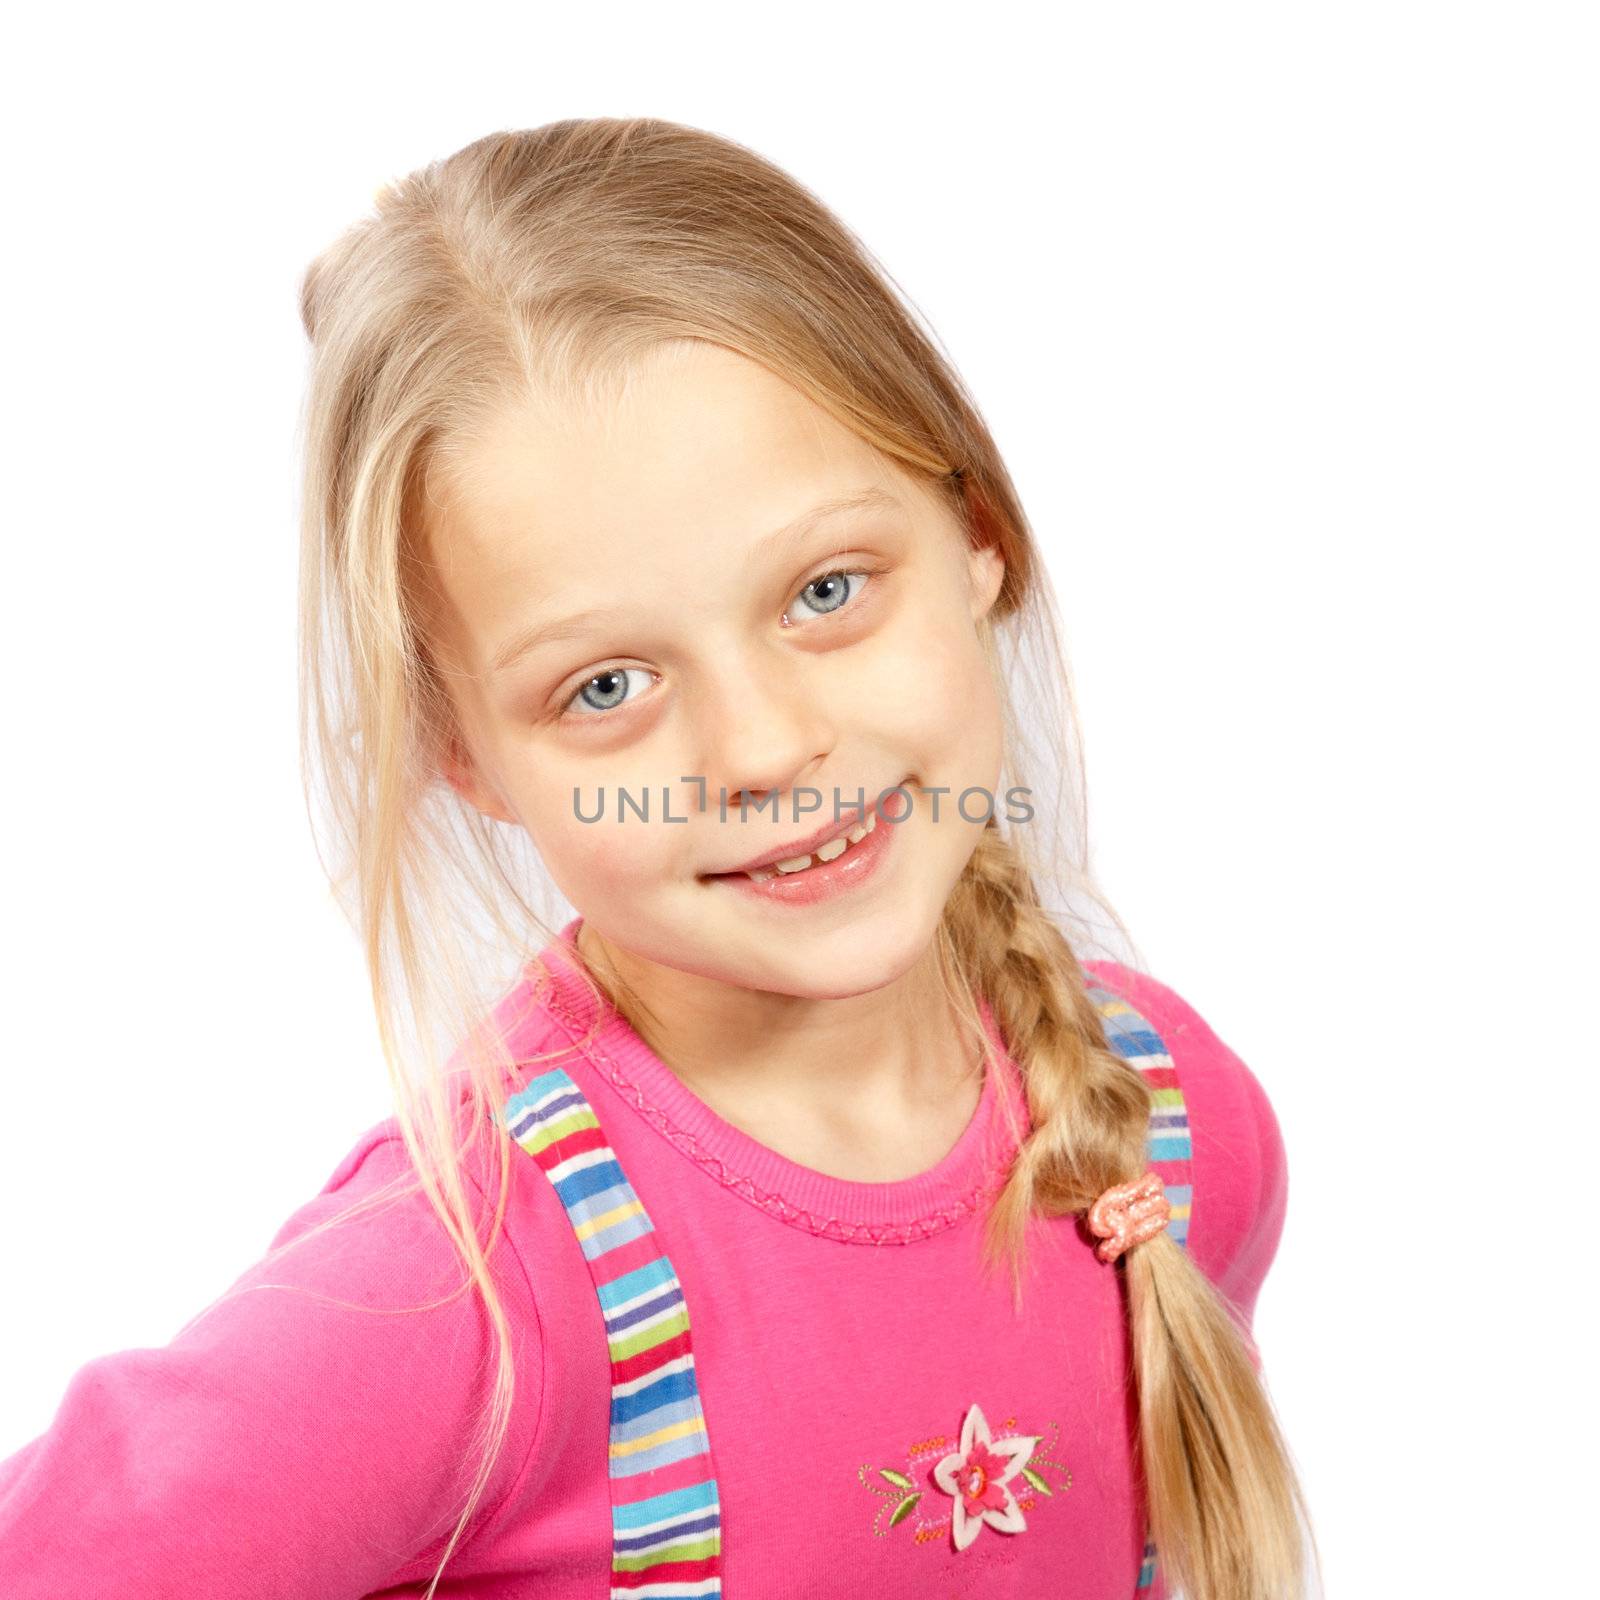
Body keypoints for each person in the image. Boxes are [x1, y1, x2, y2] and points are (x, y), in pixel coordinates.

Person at [0, 117, 1317, 1599]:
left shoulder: (1177, 1126)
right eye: (606, 687)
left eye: (826, 590)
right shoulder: (471, 1294)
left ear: (980, 537)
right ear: (466, 759)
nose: (761, 749)